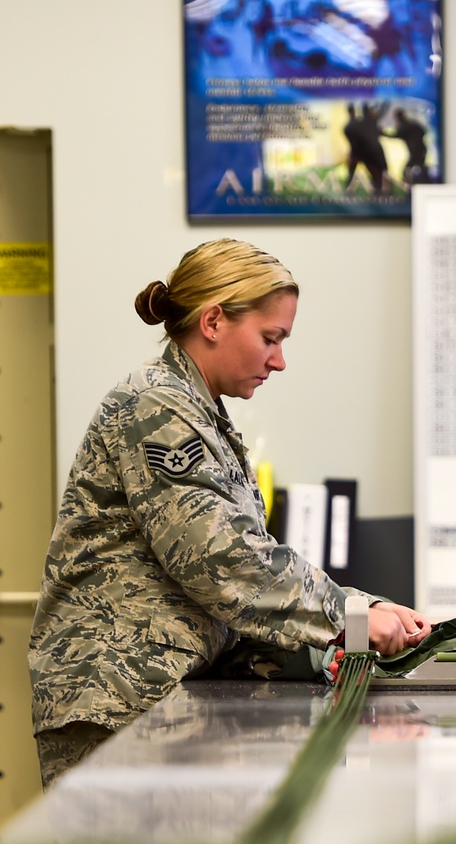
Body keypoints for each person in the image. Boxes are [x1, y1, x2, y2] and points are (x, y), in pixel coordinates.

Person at [29, 238, 430, 788]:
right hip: (117, 704)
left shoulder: (198, 410)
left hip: (158, 698)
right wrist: (349, 614)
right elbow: (220, 559)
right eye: (270, 338)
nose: (279, 361)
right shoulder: (152, 405)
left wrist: (360, 616)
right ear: (214, 320)